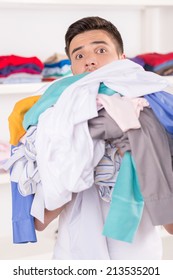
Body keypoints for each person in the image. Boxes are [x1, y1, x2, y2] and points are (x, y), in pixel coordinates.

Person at [7, 16, 173, 259]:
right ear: (72, 69)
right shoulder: (49, 124)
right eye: (79, 56)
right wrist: (78, 166)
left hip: (138, 259)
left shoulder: (156, 114)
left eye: (101, 50)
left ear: (122, 59)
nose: (90, 60)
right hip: (73, 256)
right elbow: (39, 223)